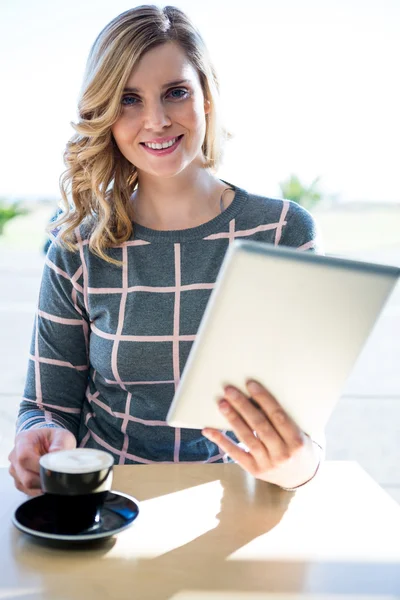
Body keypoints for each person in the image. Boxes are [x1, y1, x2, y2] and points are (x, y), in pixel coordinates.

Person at [9, 5, 323, 497]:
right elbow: (45, 405)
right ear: (106, 116)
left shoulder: (282, 232)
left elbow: (303, 425)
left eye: (175, 93)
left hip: (239, 501)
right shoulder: (76, 244)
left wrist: (298, 465)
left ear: (207, 100)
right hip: (108, 504)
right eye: (128, 100)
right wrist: (38, 434)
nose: (155, 121)